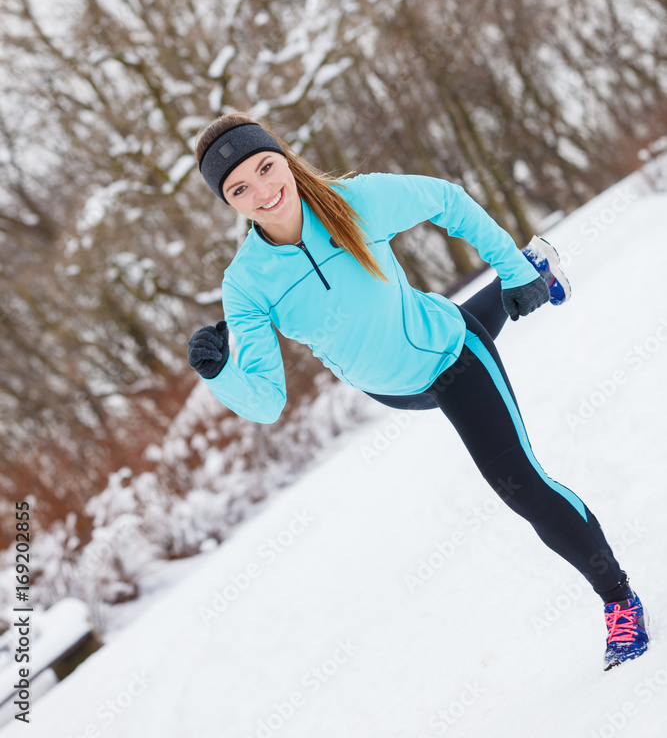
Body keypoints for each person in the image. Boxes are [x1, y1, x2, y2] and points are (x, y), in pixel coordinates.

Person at [187, 111, 649, 671]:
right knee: (439, 328)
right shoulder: (246, 283)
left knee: (521, 485)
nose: (263, 191)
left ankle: (619, 600)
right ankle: (533, 270)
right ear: (228, 202)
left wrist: (507, 266)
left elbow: (447, 200)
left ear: (282, 156)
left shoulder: (352, 202)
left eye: (265, 167)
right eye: (239, 187)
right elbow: (266, 400)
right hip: (392, 390)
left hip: (452, 358)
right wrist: (220, 375)